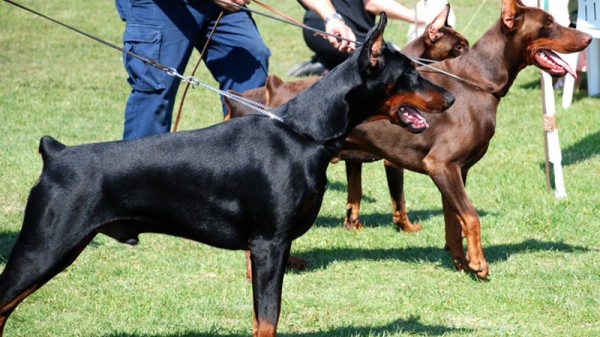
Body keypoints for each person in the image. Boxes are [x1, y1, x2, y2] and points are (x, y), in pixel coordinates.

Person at [116, 0, 356, 140]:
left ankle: (240, 175)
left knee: (251, 63)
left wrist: (331, 17)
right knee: (156, 86)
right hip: (161, 6)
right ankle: (133, 190)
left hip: (221, 10)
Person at [288, 0, 427, 77]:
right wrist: (417, 18)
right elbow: (372, 3)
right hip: (341, 31)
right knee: (395, 63)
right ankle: (328, 63)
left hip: (317, 25)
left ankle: (327, 63)